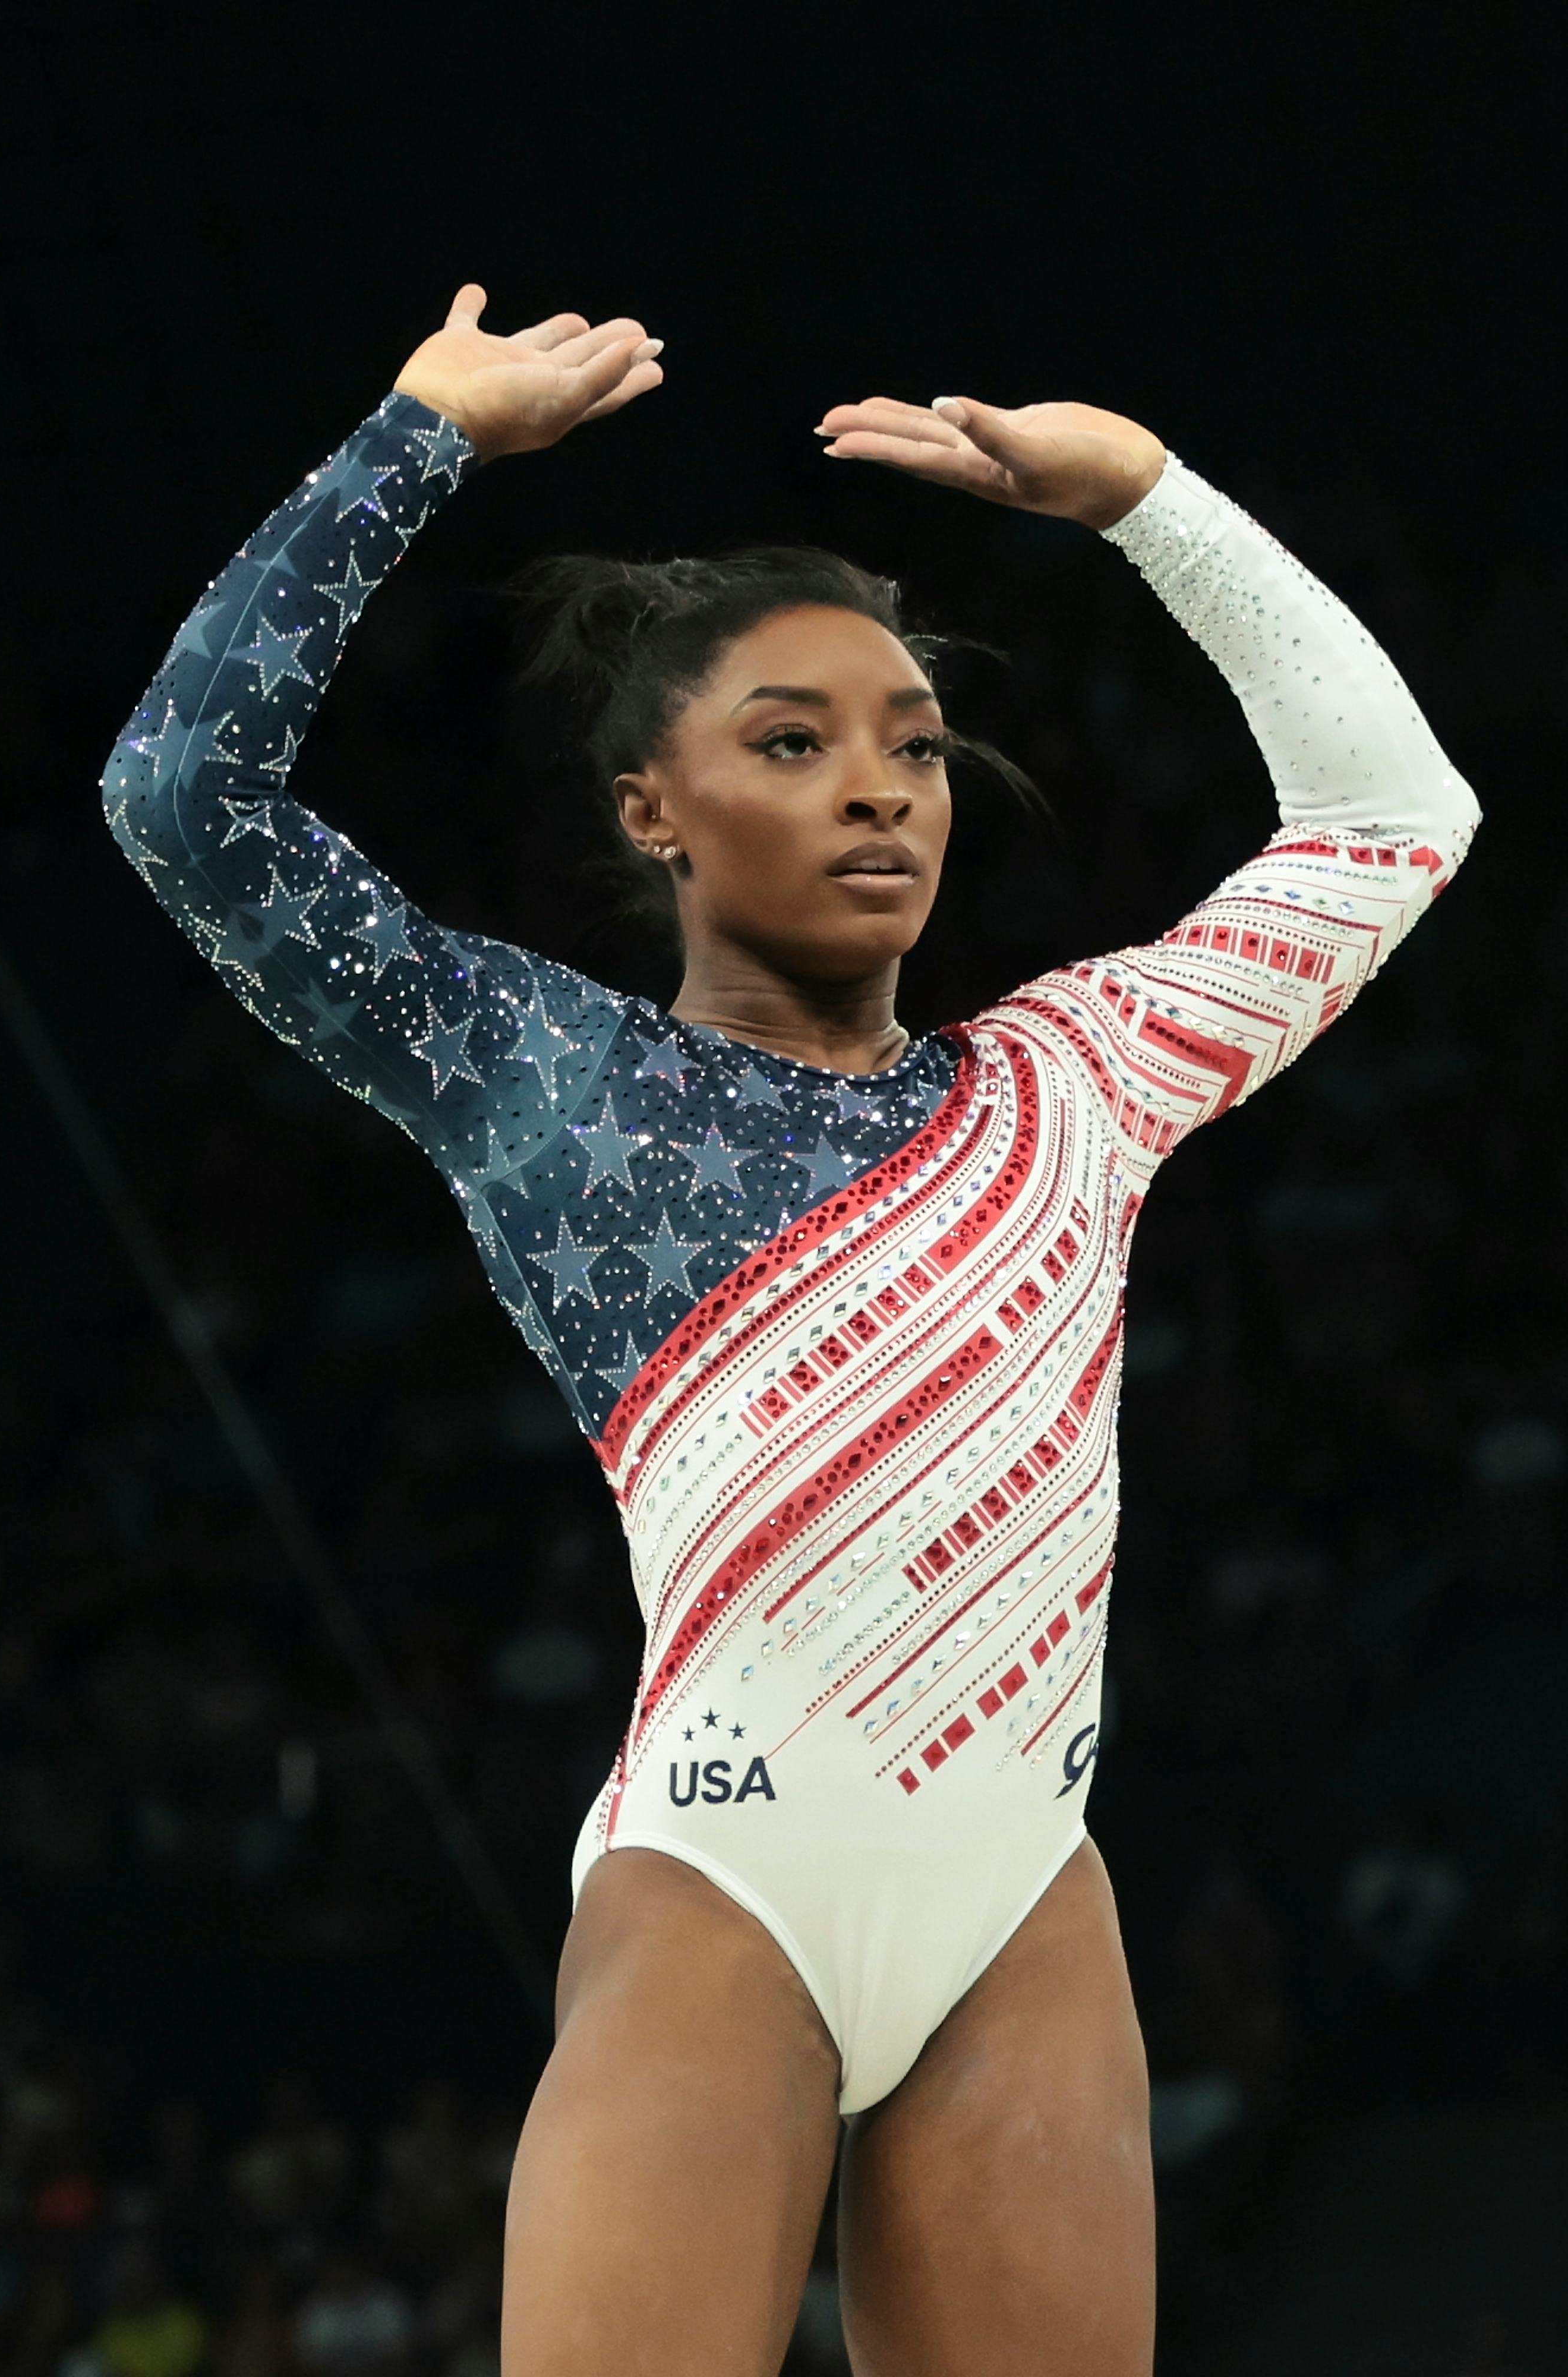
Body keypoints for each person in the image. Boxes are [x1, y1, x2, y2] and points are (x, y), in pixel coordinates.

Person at [100, 286, 1479, 2376]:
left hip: (1021, 1893)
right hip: (727, 1883)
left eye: (915, 745)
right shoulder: (538, 1075)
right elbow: (185, 804)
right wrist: (414, 442)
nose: (882, 793)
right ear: (651, 810)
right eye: (792, 743)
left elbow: (1392, 825)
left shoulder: (1068, 1080)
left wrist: (1156, 508)